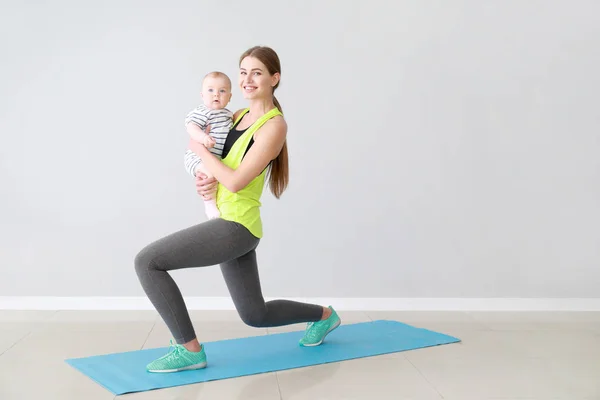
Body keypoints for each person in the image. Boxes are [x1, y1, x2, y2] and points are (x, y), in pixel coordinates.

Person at [135, 45, 341, 373]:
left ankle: (190, 351)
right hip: (229, 220)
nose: (246, 79)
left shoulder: (274, 126)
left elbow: (235, 181)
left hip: (236, 226)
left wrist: (198, 152)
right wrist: (205, 182)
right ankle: (326, 316)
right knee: (255, 315)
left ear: (275, 78)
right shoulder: (237, 116)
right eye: (243, 72)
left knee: (147, 262)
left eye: (256, 72)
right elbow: (221, 171)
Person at [183, 71, 233, 220]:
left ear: (230, 97)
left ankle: (216, 202)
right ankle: (209, 206)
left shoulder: (229, 115)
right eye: (210, 90)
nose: (216, 94)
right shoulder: (203, 112)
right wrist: (203, 137)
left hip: (213, 159)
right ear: (202, 95)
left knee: (217, 176)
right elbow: (191, 127)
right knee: (209, 176)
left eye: (222, 91)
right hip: (196, 157)